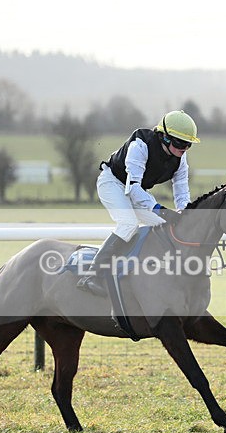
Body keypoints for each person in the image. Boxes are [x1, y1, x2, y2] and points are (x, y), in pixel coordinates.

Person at [78, 110, 199, 296]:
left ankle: (148, 272)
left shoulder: (180, 159)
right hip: (112, 183)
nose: (184, 149)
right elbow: (133, 189)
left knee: (163, 225)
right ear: (164, 138)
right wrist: (159, 209)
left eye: (188, 144)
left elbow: (182, 192)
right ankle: (92, 275)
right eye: (180, 143)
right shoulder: (140, 145)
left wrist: (185, 213)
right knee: (128, 224)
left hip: (136, 191)